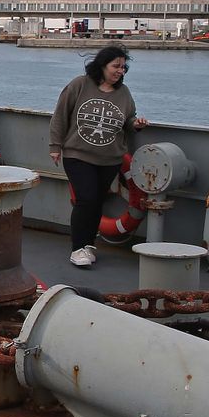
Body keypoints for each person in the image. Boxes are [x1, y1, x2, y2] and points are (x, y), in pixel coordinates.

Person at [48, 44, 149, 268]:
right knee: (86, 199)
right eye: (116, 66)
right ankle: (77, 248)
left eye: (123, 67)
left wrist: (137, 124)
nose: (120, 71)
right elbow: (60, 115)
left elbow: (128, 120)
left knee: (97, 202)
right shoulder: (80, 85)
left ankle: (88, 245)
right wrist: (55, 146)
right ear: (102, 65)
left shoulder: (124, 93)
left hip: (110, 159)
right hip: (77, 155)